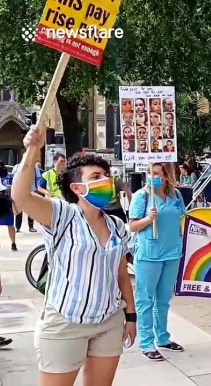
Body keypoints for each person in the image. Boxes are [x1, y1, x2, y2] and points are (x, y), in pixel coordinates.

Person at [13, 126, 136, 386]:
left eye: (106, 175)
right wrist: (32, 151)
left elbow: (122, 274)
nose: (106, 180)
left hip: (108, 321)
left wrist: (131, 317)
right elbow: (21, 196)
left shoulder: (116, 225)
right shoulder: (61, 215)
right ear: (78, 187)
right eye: (97, 176)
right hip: (65, 322)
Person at [129, 163, 187, 361]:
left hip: (172, 253)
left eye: (157, 174)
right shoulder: (141, 196)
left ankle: (163, 337)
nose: (152, 177)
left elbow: (182, 218)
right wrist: (148, 219)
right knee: (145, 299)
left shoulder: (176, 196)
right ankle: (146, 342)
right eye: (150, 173)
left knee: (163, 300)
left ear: (166, 176)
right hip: (149, 254)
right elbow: (133, 226)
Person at [11, 162, 42, 232]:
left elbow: (38, 178)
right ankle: (17, 227)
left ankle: (31, 226)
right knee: (19, 209)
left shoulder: (35, 168)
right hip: (19, 190)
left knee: (31, 209)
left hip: (31, 190)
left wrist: (37, 189)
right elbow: (13, 177)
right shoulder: (17, 166)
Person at [0, 166, 16, 251]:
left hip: (6, 204)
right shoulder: (9, 178)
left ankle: (13, 243)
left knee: (10, 224)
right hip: (7, 204)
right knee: (10, 225)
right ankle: (13, 243)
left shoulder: (9, 178)